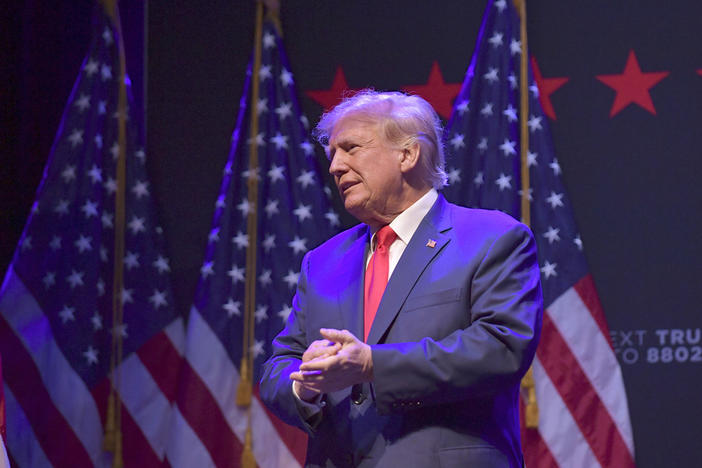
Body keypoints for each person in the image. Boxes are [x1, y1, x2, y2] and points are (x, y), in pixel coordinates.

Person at [260, 90, 542, 468]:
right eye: (332, 155)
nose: (335, 167)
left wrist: (373, 364)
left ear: (407, 155)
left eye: (350, 148)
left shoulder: (492, 238)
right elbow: (281, 364)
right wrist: (305, 383)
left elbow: (501, 348)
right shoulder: (322, 262)